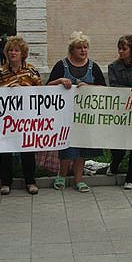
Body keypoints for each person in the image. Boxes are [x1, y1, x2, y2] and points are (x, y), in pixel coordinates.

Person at [47, 31, 106, 192]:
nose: (83, 50)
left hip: (86, 117)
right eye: (79, 47)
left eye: (85, 47)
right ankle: (62, 176)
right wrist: (59, 81)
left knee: (82, 148)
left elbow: (104, 89)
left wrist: (90, 88)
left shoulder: (94, 67)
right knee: (65, 146)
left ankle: (79, 179)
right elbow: (46, 88)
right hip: (65, 116)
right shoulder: (61, 65)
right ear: (72, 49)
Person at [0, 36, 43, 195]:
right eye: (10, 50)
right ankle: (5, 182)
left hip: (26, 119)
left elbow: (41, 92)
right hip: (7, 119)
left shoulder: (31, 71)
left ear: (23, 53)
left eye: (16, 50)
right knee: (5, 150)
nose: (13, 53)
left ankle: (30, 181)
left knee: (27, 150)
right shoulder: (0, 72)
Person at [107, 35, 132, 190]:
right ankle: (115, 163)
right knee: (118, 146)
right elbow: (114, 87)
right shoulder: (113, 67)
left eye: (124, 49)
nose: (121, 52)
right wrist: (129, 90)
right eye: (119, 48)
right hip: (120, 111)